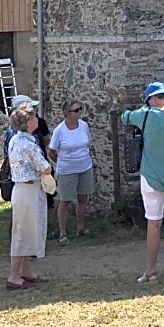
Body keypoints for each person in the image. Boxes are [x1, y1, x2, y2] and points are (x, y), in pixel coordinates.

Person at [121, 81, 164, 283]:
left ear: (152, 99)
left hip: (152, 176)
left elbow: (126, 117)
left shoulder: (146, 114)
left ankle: (151, 271)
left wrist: (143, 108)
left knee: (154, 223)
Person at [6, 102, 53, 289]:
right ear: (29, 123)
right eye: (33, 117)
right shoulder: (28, 145)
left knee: (26, 231)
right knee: (21, 232)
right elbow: (45, 167)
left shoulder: (16, 139)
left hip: (23, 189)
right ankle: (14, 275)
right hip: (28, 189)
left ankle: (25, 270)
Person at [48, 99, 95, 244]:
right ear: (67, 114)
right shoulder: (60, 130)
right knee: (65, 200)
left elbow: (87, 143)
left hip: (84, 167)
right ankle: (62, 232)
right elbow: (52, 151)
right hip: (67, 170)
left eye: (80, 109)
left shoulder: (84, 126)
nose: (79, 112)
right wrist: (62, 163)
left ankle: (81, 228)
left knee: (83, 198)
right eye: (76, 110)